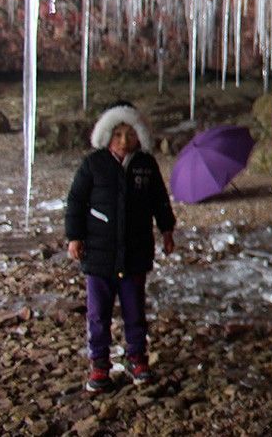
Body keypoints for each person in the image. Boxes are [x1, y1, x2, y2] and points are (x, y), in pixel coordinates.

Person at [65, 101, 176, 394]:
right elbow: (76, 201)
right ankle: (99, 364)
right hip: (99, 256)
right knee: (98, 313)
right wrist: (74, 237)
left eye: (130, 134)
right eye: (118, 135)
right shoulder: (94, 164)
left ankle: (136, 357)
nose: (124, 141)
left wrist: (167, 230)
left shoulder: (145, 165)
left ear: (139, 135)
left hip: (135, 253)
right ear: (107, 135)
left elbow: (159, 200)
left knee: (134, 310)